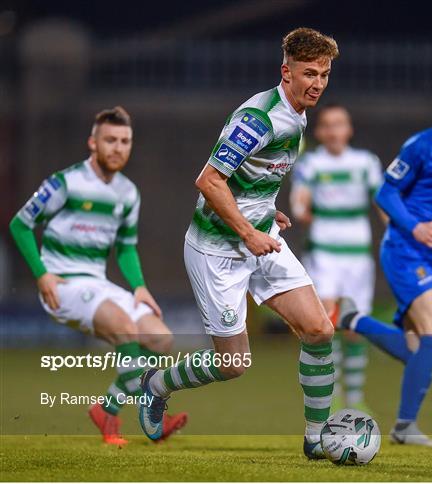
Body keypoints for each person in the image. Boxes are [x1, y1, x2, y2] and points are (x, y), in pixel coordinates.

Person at [138, 28, 339, 459]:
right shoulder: (259, 119)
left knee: (320, 330)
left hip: (262, 236)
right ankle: (154, 385)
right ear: (285, 72)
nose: (318, 83)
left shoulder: (298, 113)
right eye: (309, 73)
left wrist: (267, 210)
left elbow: (256, 177)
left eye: (324, 74)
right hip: (218, 250)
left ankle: (317, 438)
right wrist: (247, 231)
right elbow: (209, 180)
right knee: (234, 365)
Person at [334, 67, 432, 446]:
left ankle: (353, 319)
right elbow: (386, 194)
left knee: (416, 350)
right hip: (406, 250)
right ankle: (405, 427)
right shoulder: (423, 144)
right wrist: (415, 227)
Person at [9, 107, 187, 445]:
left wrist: (139, 287)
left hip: (98, 283)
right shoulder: (65, 183)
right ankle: (151, 410)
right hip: (63, 283)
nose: (118, 148)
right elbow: (20, 224)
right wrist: (41, 274)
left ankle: (107, 410)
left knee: (160, 338)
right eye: (110, 140)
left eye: (125, 141)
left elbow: (125, 247)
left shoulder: (128, 193)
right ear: (93, 142)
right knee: (124, 326)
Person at [290, 104, 385, 413]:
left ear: (349, 129)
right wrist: (302, 212)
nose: (333, 131)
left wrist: (396, 228)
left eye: (339, 124)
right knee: (326, 324)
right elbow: (299, 202)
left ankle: (356, 398)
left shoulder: (366, 163)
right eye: (327, 125)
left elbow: (382, 202)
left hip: (358, 255)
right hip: (324, 254)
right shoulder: (310, 164)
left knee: (356, 328)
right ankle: (333, 397)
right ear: (319, 132)